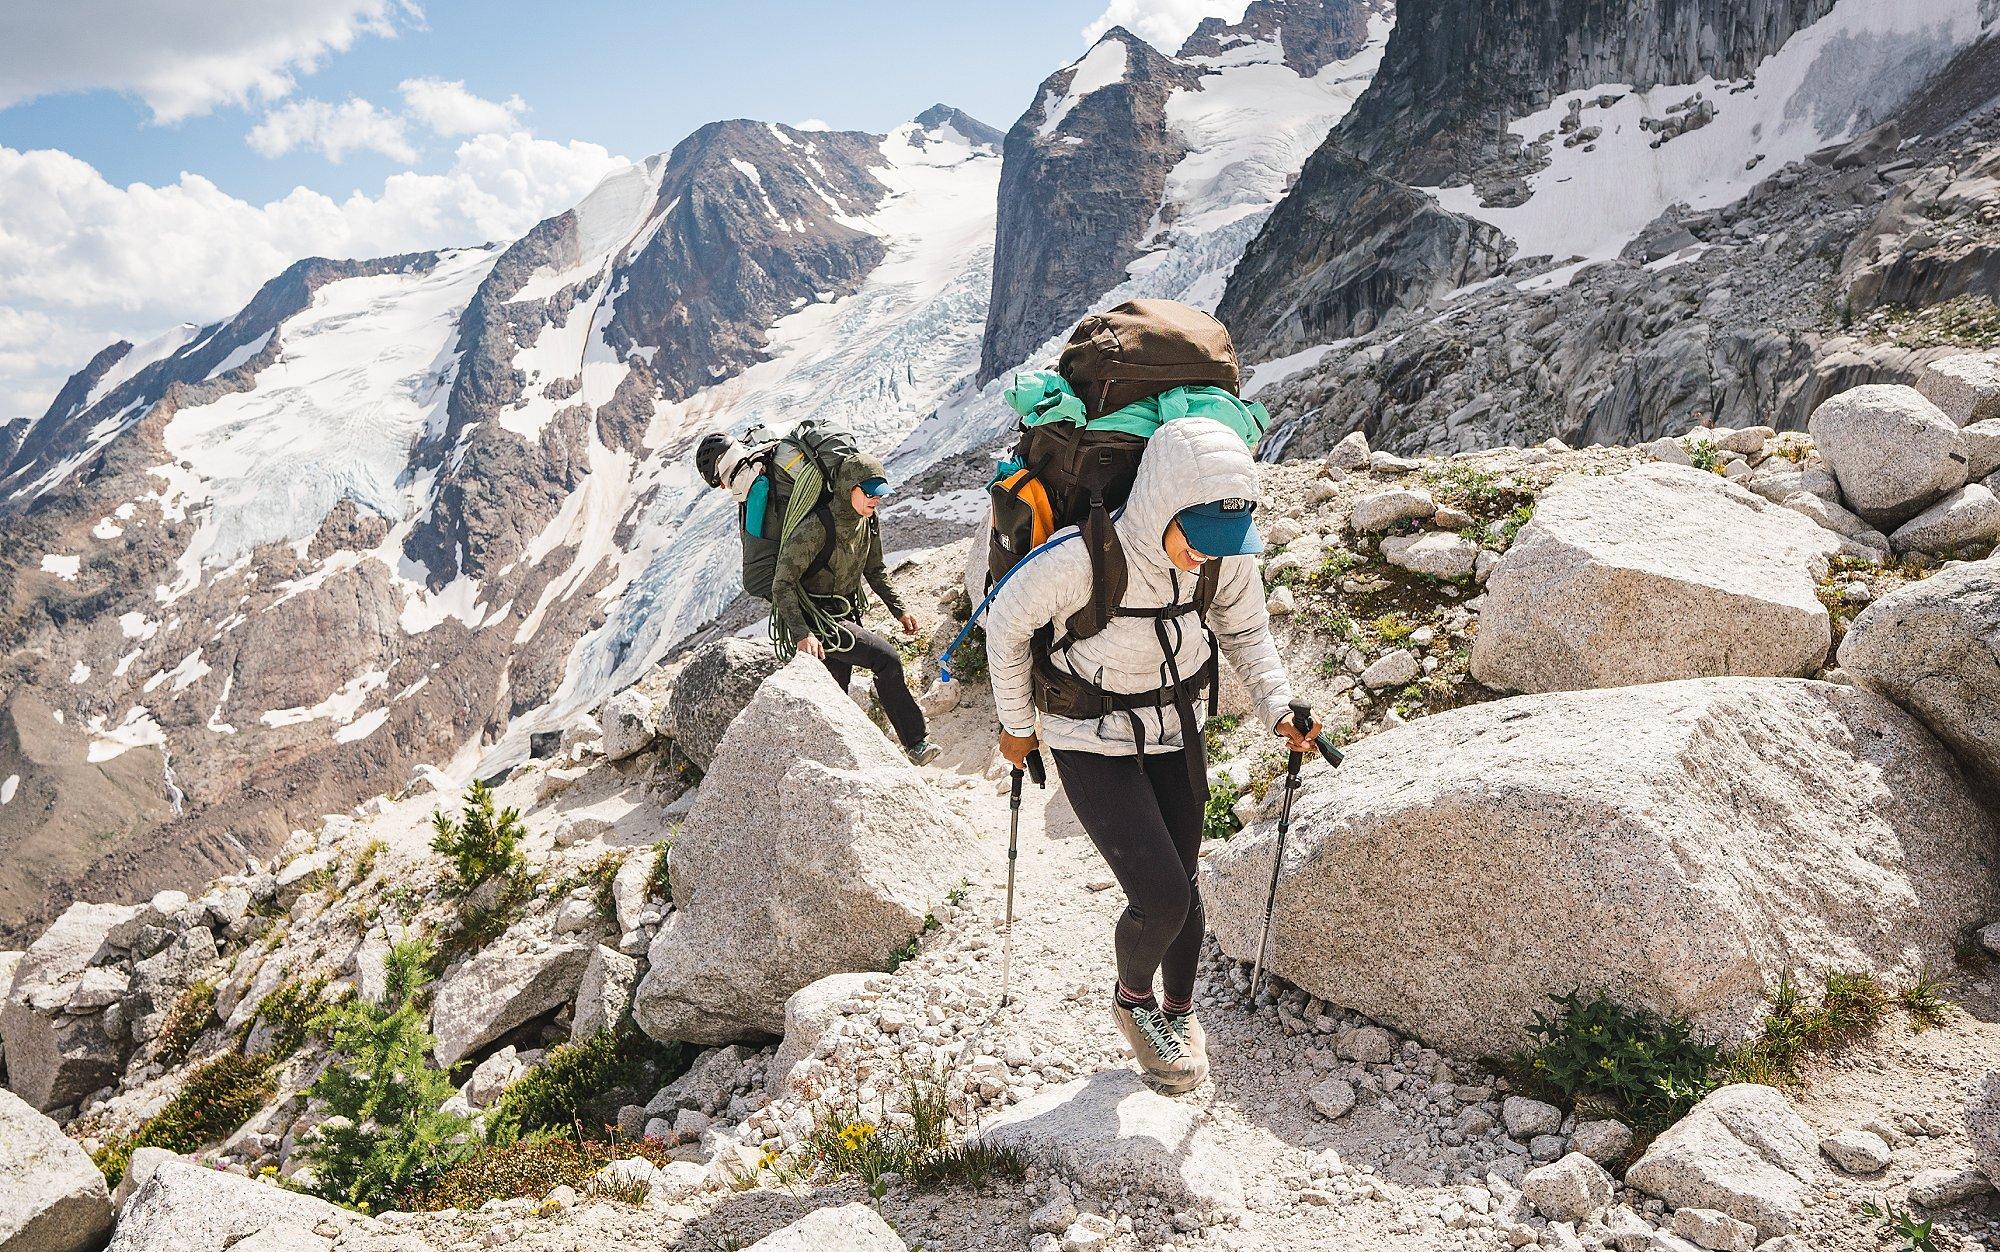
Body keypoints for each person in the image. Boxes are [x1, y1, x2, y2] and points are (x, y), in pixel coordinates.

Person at [983, 417, 1320, 1092]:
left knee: (1185, 885)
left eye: (1221, 542)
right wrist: (1018, 726)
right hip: (1088, 737)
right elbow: (1006, 622)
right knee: (1160, 896)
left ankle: (1179, 1012)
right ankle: (1132, 1003)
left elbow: (1248, 630)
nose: (1206, 555)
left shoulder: (1223, 557)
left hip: (1177, 724)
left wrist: (1280, 709)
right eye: (1196, 537)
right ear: (1162, 505)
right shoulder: (1082, 558)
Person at [769, 448, 943, 766]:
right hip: (819, 623)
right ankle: (916, 742)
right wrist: (802, 633)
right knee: (886, 659)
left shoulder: (867, 521)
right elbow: (782, 584)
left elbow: (874, 571)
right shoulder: (814, 528)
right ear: (850, 488)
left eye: (879, 495)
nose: (877, 501)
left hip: (845, 615)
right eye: (871, 494)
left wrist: (899, 610)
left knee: (835, 694)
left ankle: (823, 761)